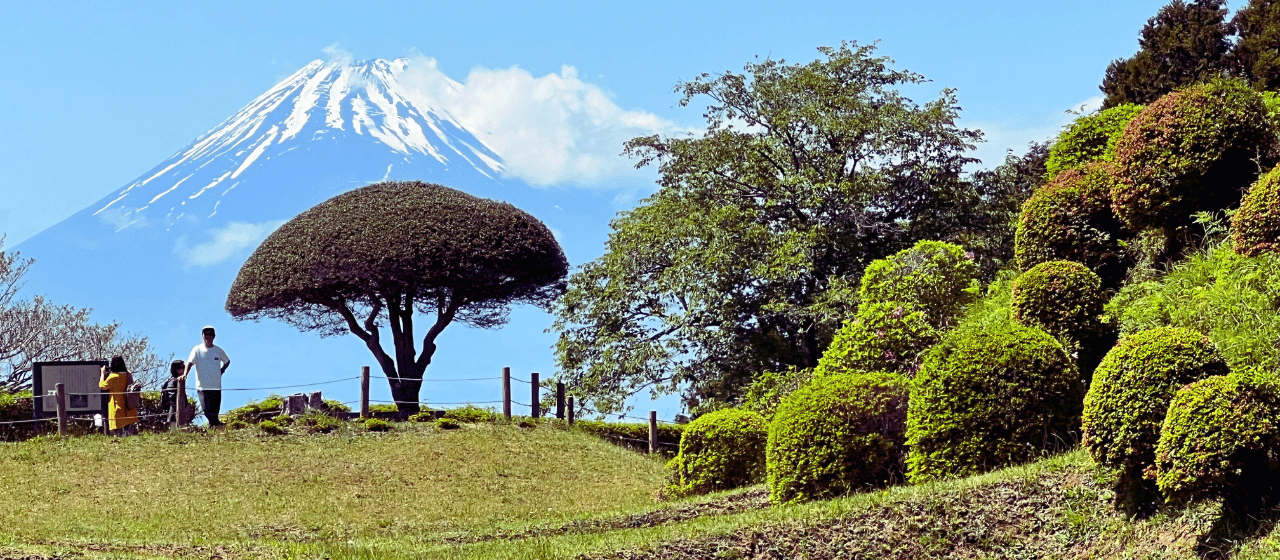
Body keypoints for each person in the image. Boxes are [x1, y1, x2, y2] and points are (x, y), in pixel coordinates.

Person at [181, 326, 231, 427]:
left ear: (214, 336)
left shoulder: (218, 350)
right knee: (207, 410)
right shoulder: (197, 349)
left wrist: (222, 370)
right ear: (202, 336)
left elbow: (227, 361)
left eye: (210, 334)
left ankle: (215, 427)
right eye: (206, 334)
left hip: (216, 386)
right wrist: (185, 374)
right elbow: (190, 362)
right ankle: (214, 426)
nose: (208, 336)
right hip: (202, 386)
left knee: (215, 412)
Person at [98, 355, 139, 436]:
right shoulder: (127, 374)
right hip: (128, 404)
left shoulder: (113, 377)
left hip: (116, 403)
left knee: (118, 428)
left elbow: (102, 385)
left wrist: (102, 374)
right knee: (127, 425)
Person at [159, 359, 186, 424]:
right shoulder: (173, 381)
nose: (185, 369)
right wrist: (176, 414)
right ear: (177, 370)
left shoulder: (177, 380)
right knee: (174, 430)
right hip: (174, 414)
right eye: (183, 367)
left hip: (177, 413)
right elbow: (173, 400)